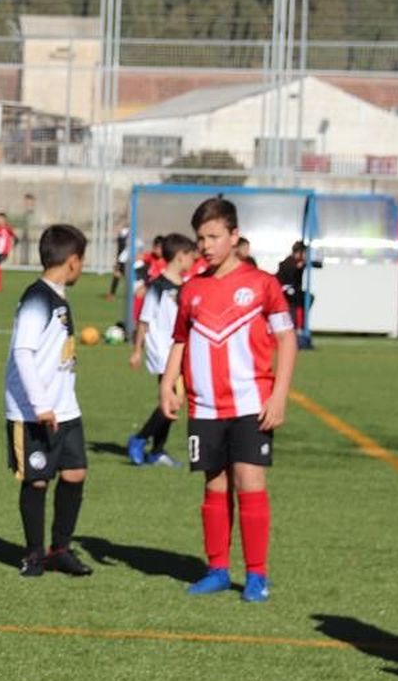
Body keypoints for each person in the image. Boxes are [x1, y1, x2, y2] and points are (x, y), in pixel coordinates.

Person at [160, 197, 298, 604]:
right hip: (204, 407)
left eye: (214, 237)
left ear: (234, 237)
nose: (205, 246)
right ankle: (217, 568)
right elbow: (180, 341)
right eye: (201, 238)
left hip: (251, 403)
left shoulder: (262, 285)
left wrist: (279, 396)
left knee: (249, 482)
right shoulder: (192, 290)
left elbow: (287, 340)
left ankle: (257, 575)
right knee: (214, 485)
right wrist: (168, 383)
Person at [4, 224, 92, 578]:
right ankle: (34, 554)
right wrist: (40, 404)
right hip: (32, 410)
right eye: (82, 261)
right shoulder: (36, 297)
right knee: (37, 480)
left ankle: (60, 549)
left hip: (64, 407)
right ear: (72, 262)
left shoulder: (58, 295)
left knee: (75, 473)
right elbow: (23, 352)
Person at [127, 233, 197, 467]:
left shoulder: (185, 287)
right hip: (163, 353)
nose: (193, 260)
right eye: (190, 255)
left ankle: (156, 451)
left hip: (179, 352)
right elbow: (144, 321)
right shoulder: (157, 287)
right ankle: (139, 440)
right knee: (174, 401)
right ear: (179, 257)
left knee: (171, 402)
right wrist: (137, 350)